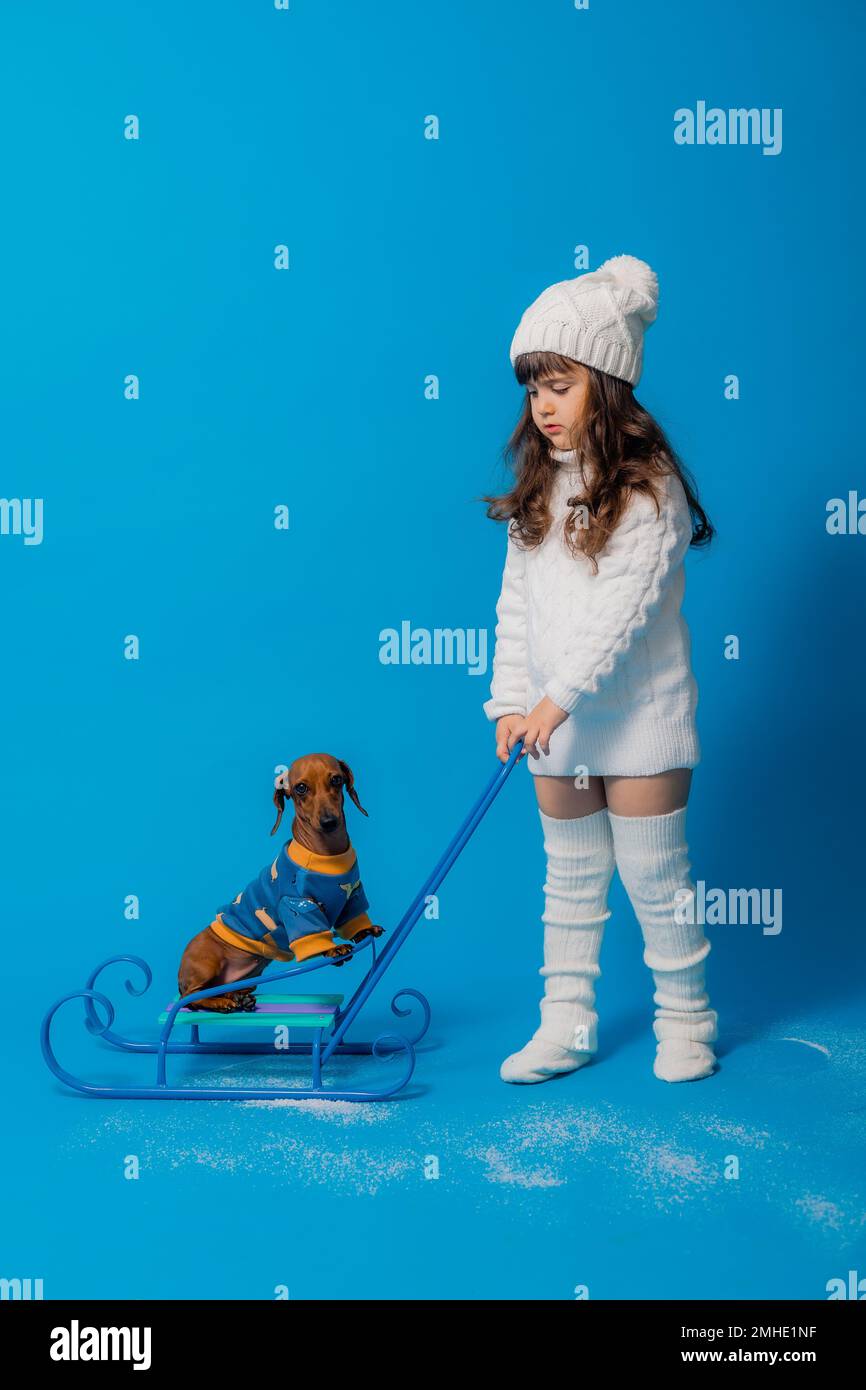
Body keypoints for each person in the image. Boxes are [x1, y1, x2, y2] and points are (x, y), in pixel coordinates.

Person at [482, 254, 719, 1084]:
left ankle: (688, 1023)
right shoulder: (538, 489)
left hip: (637, 716)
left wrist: (557, 699)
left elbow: (624, 613)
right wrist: (512, 702)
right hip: (553, 720)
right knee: (572, 882)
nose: (543, 405)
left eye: (562, 383)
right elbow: (518, 608)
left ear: (609, 384)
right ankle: (566, 1025)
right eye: (533, 387)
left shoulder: (652, 493)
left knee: (657, 877)